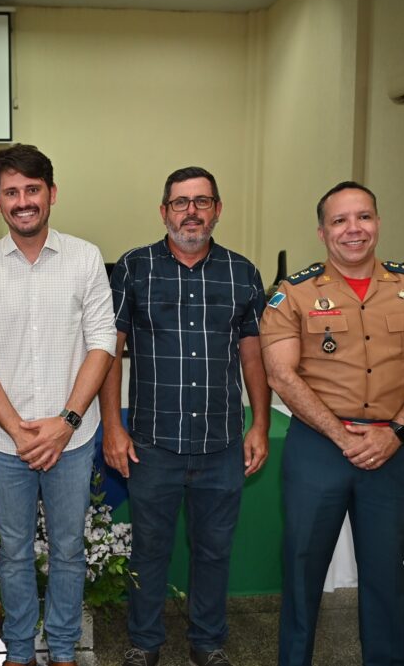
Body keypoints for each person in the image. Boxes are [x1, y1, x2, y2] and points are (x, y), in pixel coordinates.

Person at [259, 181, 404, 666]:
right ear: (323, 231)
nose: (354, 229)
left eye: (363, 217)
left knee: (386, 574)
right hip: (317, 449)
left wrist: (397, 433)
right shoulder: (294, 294)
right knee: (303, 571)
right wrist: (337, 433)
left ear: (378, 223)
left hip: (391, 446)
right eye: (341, 220)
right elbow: (280, 373)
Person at [99, 167, 270, 666]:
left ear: (217, 209)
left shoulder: (243, 272)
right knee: (149, 550)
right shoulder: (134, 267)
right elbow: (110, 351)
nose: (191, 211)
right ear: (164, 211)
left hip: (221, 444)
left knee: (215, 550)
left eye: (201, 201)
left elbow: (253, 355)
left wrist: (259, 422)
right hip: (153, 443)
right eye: (180, 202)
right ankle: (144, 642)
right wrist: (113, 425)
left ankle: (208, 642)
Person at [0, 144, 116, 666]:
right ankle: (20, 652)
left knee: (69, 550)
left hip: (74, 436)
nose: (23, 201)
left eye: (32, 190)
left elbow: (102, 344)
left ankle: (64, 649)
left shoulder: (86, 258)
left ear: (51, 194)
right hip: (7, 442)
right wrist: (20, 430)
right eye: (11, 192)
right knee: (15, 552)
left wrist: (66, 423)